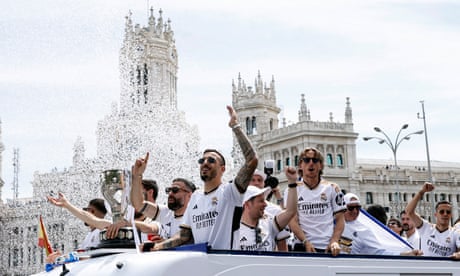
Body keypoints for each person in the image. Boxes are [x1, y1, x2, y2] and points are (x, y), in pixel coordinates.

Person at [143, 105, 258, 251]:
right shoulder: (195, 197)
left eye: (211, 160)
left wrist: (235, 126)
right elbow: (183, 236)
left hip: (226, 264)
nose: (205, 163)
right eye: (202, 161)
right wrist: (157, 246)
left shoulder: (230, 192)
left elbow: (252, 160)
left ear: (223, 169)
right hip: (201, 265)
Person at [287, 147, 345, 256]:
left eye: (315, 160)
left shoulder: (333, 188)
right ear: (300, 165)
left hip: (327, 247)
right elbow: (292, 221)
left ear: (321, 165)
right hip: (302, 246)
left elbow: (340, 219)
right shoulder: (292, 189)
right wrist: (305, 242)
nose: (311, 163)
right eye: (306, 160)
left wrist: (335, 240)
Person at [236, 167, 298, 251]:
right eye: (261, 201)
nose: (265, 204)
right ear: (247, 204)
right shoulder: (234, 230)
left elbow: (290, 211)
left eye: (259, 180)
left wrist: (292, 183)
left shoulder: (269, 223)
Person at [339, 193, 421, 256]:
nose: (355, 211)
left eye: (358, 208)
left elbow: (380, 252)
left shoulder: (364, 230)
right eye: (351, 208)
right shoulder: (332, 224)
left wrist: (406, 254)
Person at [131, 176, 196, 240]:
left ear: (189, 195)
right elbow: (139, 205)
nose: (170, 193)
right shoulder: (166, 212)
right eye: (169, 190)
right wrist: (137, 176)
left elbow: (179, 241)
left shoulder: (194, 217)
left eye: (175, 190)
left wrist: (160, 244)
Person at [405, 182, 460, 258]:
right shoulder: (426, 227)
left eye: (448, 212)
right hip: (426, 268)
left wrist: (458, 255)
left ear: (451, 215)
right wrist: (421, 192)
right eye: (441, 212)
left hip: (445, 269)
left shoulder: (455, 233)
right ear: (436, 214)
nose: (445, 214)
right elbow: (409, 212)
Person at [249, 169, 289, 251]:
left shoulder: (275, 210)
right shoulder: (237, 207)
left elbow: (282, 243)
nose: (256, 183)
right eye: (252, 180)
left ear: (264, 184)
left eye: (259, 180)